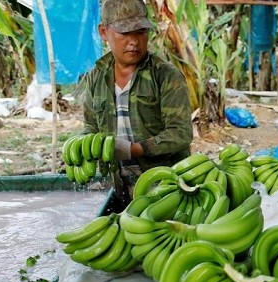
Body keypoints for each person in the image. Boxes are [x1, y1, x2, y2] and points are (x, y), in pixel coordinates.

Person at [80, 0, 193, 206]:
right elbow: (90, 127)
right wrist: (85, 146)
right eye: (124, 33)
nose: (134, 41)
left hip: (166, 183)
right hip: (119, 182)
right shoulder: (95, 77)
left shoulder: (166, 76)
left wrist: (133, 149)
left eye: (140, 32)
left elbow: (181, 133)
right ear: (104, 32)